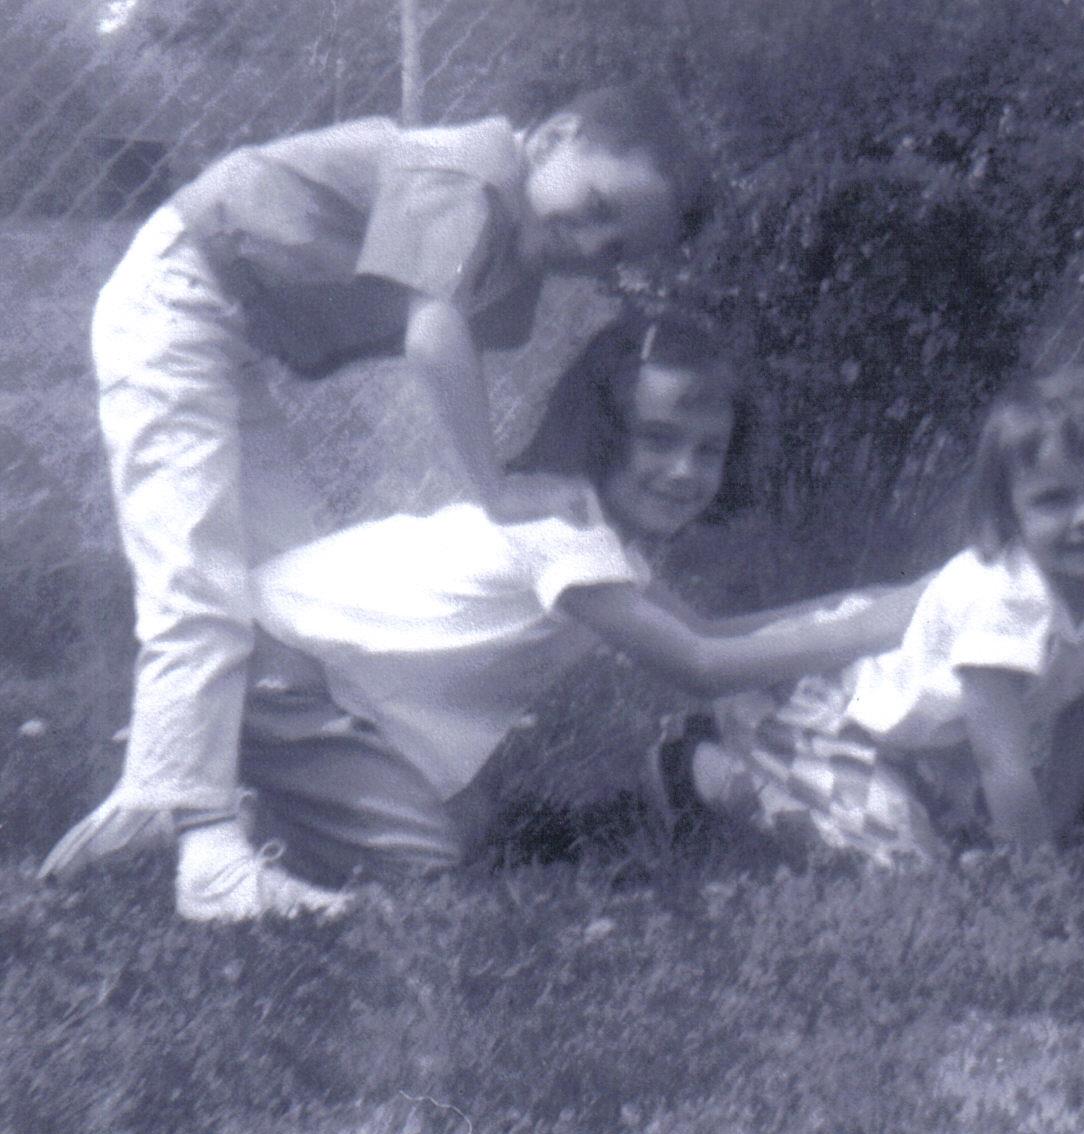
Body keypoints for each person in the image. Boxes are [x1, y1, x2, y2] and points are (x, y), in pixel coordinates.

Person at [41, 85, 711, 898]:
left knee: (279, 592)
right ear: (551, 138)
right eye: (598, 203)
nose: (593, 242)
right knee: (199, 582)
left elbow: (469, 322)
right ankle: (208, 856)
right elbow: (434, 335)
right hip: (177, 295)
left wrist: (530, 253)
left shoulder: (505, 228)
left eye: (616, 250)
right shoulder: (465, 169)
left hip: (230, 329)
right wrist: (495, 492)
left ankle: (196, 802)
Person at [53, 306, 929, 921]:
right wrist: (886, 624)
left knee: (470, 829)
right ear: (599, 433)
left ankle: (255, 804)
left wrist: (893, 601)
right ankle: (241, 845)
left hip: (323, 678)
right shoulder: (564, 532)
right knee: (429, 873)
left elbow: (711, 633)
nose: (683, 471)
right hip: (280, 672)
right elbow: (695, 666)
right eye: (657, 440)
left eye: (708, 450)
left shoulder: (598, 536)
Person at [666, 368, 1084, 866]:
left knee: (964, 839)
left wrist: (1051, 828)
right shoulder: (1007, 602)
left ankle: (892, 788)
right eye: (1054, 499)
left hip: (922, 743)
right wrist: (1033, 875)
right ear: (1010, 516)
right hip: (822, 710)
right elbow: (1002, 759)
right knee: (905, 860)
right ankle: (707, 770)